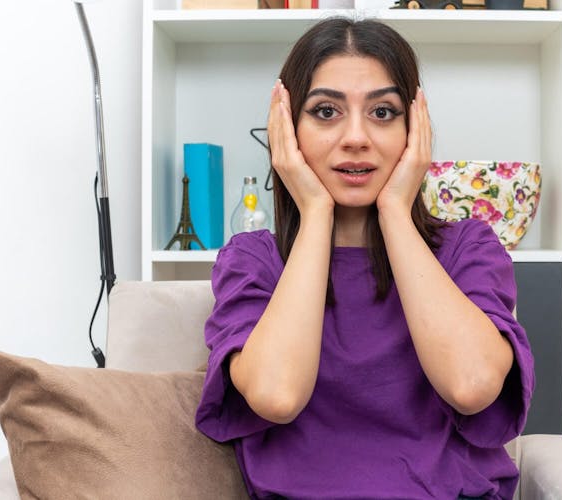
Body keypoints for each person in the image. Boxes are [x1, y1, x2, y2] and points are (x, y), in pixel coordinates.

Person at [196, 17, 534, 500]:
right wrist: (316, 213)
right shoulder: (254, 261)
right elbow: (276, 396)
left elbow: (472, 385)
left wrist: (395, 208)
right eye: (327, 111)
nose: (356, 137)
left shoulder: (469, 249)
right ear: (287, 131)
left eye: (382, 112)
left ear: (414, 128)